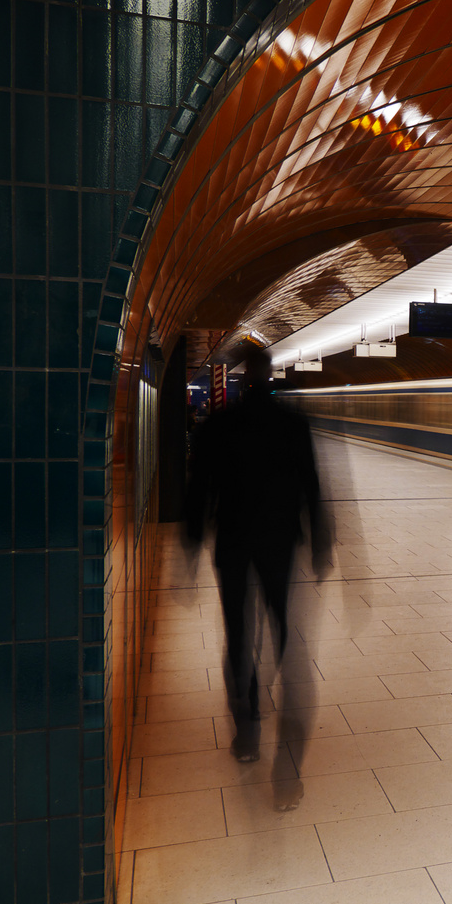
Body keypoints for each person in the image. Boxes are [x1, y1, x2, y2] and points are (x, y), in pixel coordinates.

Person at [184, 344, 330, 809]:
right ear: (271, 378)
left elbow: (198, 489)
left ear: (245, 379)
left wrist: (189, 547)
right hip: (279, 547)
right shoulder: (293, 425)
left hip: (233, 545)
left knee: (238, 633)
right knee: (286, 635)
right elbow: (312, 485)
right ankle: (287, 777)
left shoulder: (218, 426)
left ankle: (247, 731)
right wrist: (322, 542)